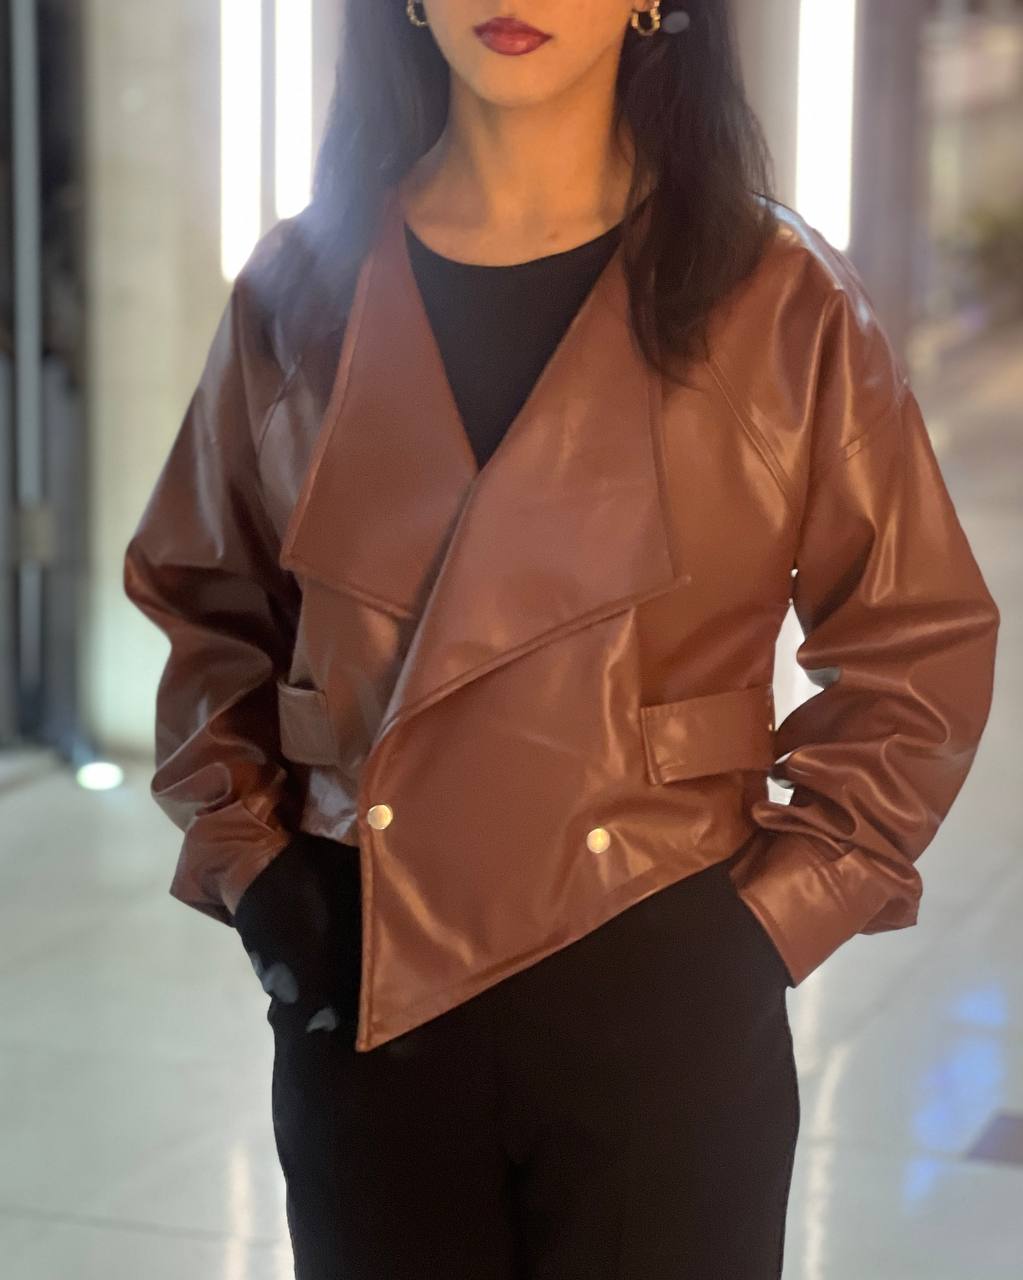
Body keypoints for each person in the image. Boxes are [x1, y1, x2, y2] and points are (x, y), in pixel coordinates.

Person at [123, 2, 1000, 1277]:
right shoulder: (297, 291)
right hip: (369, 992)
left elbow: (917, 640)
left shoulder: (777, 296)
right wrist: (266, 885)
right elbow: (208, 605)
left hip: (662, 995)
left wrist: (762, 926)